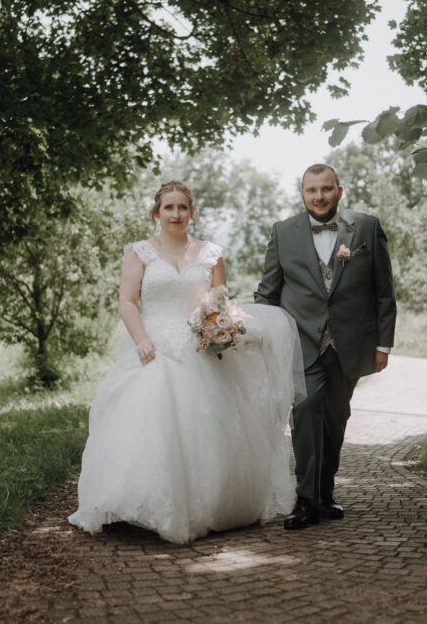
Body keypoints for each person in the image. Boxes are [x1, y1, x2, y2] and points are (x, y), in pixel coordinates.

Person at [69, 181, 304, 544]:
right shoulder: (139, 252)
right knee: (145, 425)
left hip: (200, 351)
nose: (176, 214)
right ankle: (135, 502)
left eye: (182, 207)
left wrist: (219, 329)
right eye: (169, 208)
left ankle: (206, 506)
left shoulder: (211, 254)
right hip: (153, 349)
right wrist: (142, 340)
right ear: (156, 213)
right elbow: (127, 301)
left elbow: (218, 303)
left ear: (192, 212)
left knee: (206, 427)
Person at [255, 163, 396, 530]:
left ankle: (325, 494)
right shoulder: (283, 232)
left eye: (326, 189)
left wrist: (383, 345)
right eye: (311, 190)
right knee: (305, 409)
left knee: (336, 419)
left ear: (339, 190)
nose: (319, 196)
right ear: (302, 193)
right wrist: (261, 339)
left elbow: (384, 292)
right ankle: (305, 500)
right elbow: (268, 293)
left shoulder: (366, 226)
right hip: (301, 341)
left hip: (350, 342)